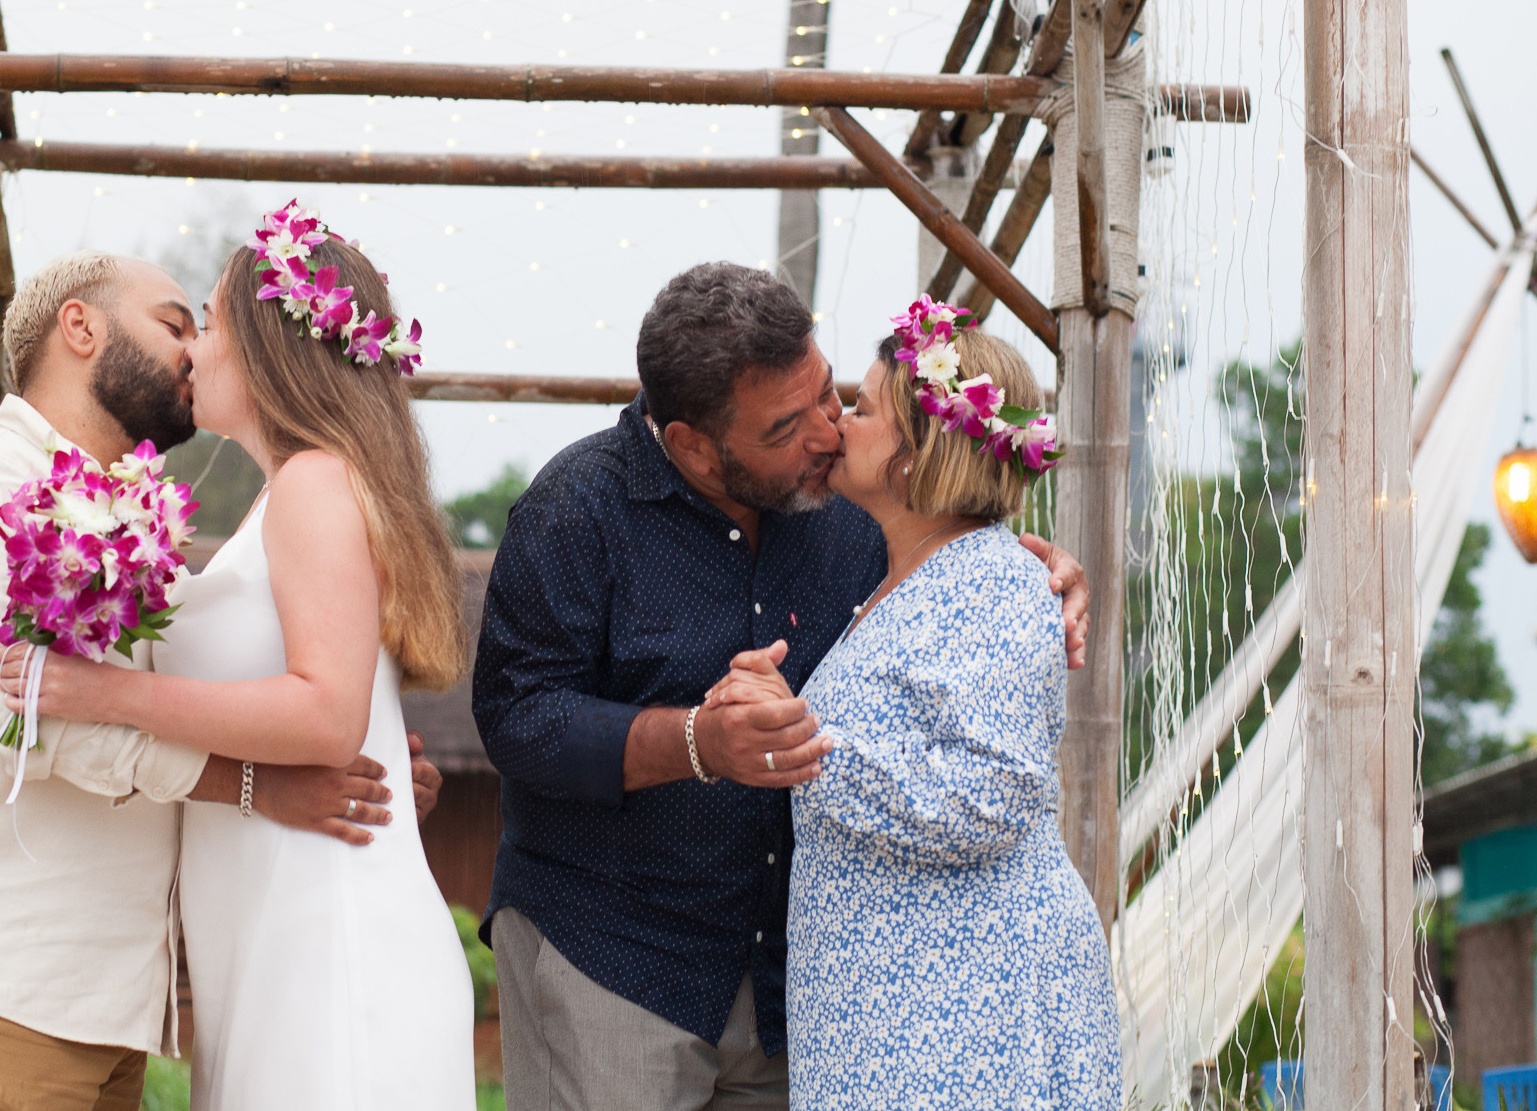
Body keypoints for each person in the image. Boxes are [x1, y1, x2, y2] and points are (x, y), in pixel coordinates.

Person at [470, 263, 1091, 1111]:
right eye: (787, 425)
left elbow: (946, 565)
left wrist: (1030, 564)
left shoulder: (850, 512)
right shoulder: (575, 511)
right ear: (691, 441)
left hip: (795, 994)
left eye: (834, 399)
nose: (828, 434)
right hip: (617, 955)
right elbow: (518, 717)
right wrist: (699, 740)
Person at [0, 250, 437, 1111]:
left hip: (106, 1015)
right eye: (173, 323)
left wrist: (362, 757)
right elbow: (29, 722)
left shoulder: (143, 530)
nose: (192, 350)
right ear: (79, 327)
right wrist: (257, 786)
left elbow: (239, 687)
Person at [0, 207, 476, 1110]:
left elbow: (326, 715)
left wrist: (106, 693)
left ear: (264, 352)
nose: (194, 350)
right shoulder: (294, 493)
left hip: (330, 948)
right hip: (270, 937)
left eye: (208, 323)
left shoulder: (314, 484)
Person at [707, 303, 1121, 1108]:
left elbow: (986, 796)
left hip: (966, 1005)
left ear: (917, 454)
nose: (836, 428)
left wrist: (798, 738)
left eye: (861, 409)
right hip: (904, 1001)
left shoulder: (992, 581)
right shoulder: (906, 573)